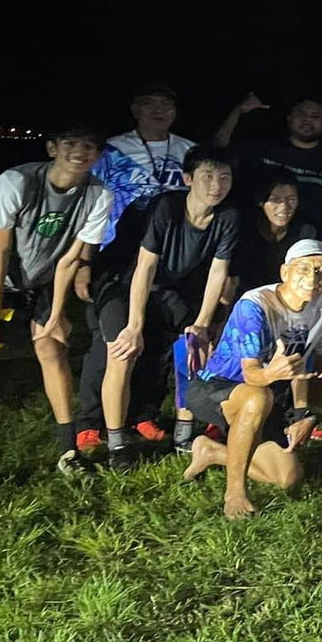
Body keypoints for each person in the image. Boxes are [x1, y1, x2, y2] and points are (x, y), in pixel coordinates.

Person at [0, 124, 114, 501]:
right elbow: (0, 249)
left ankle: (69, 450)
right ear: (52, 148)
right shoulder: (16, 181)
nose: (79, 152)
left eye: (89, 146)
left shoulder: (99, 194)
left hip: (42, 273)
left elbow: (71, 258)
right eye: (70, 143)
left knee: (52, 345)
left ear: (98, 155)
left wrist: (56, 312)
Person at [92, 145, 239, 468]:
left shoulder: (228, 217)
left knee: (192, 347)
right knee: (122, 351)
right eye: (208, 176)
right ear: (188, 178)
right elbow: (144, 268)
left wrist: (201, 322)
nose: (216, 185)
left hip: (174, 291)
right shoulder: (166, 207)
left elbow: (218, 271)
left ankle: (184, 435)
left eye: (224, 177)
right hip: (127, 285)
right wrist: (134, 325)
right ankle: (117, 443)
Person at [181, 239, 322, 518]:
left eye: (321, 271)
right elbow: (252, 373)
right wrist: (272, 374)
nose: (313, 278)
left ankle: (212, 452)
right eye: (304, 268)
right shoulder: (255, 304)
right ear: (285, 272)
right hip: (217, 385)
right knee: (258, 395)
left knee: (287, 476)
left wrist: (309, 414)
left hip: (268, 394)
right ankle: (235, 494)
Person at [213, 94, 322, 229]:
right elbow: (217, 151)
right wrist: (238, 111)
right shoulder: (263, 149)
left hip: (307, 239)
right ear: (289, 118)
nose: (307, 119)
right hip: (256, 235)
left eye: (315, 116)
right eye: (301, 114)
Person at [92, 80, 196, 244]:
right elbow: (89, 198)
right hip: (118, 244)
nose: (159, 109)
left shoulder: (191, 151)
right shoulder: (111, 150)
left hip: (175, 242)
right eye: (149, 103)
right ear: (135, 110)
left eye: (166, 104)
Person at [230, 169, 318, 291]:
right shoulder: (244, 229)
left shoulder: (303, 233)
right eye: (276, 200)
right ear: (261, 202)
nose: (285, 207)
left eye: (291, 199)